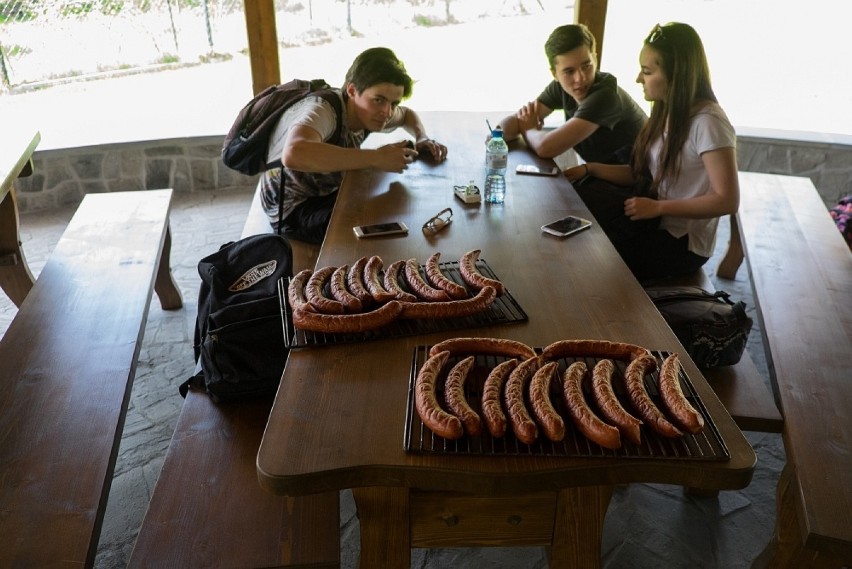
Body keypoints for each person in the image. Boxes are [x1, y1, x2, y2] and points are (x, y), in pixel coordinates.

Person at [564, 22, 740, 282]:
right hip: (654, 224)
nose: (638, 78)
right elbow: (641, 174)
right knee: (578, 235)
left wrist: (658, 207)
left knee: (592, 262)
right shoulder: (665, 111)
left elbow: (727, 200)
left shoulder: (708, 122)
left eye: (646, 71)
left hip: (682, 242)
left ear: (675, 75)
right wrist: (591, 169)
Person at [259, 47, 448, 244]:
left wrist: (422, 138)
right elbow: (294, 154)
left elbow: (407, 114)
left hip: (331, 191)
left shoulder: (371, 112)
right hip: (293, 207)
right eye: (379, 100)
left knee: (399, 207)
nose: (387, 112)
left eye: (393, 103)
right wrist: (377, 158)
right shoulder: (323, 110)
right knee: (371, 232)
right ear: (351, 90)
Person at [497, 23, 647, 166]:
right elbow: (520, 119)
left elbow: (546, 148)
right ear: (555, 74)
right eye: (569, 71)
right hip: (602, 176)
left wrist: (529, 130)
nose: (580, 78)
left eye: (586, 66)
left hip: (638, 183)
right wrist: (496, 137)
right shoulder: (561, 87)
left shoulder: (606, 96)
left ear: (595, 59)